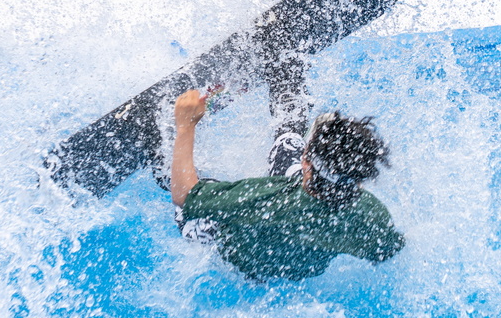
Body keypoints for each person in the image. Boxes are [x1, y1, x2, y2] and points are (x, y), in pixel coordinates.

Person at [170, 90, 404, 282]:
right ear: (361, 179)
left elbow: (184, 195)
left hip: (237, 260)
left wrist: (186, 126)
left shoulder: (263, 198)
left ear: (306, 163)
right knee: (286, 145)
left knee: (190, 190)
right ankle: (285, 72)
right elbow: (386, 251)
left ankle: (159, 156)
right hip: (296, 273)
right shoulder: (372, 214)